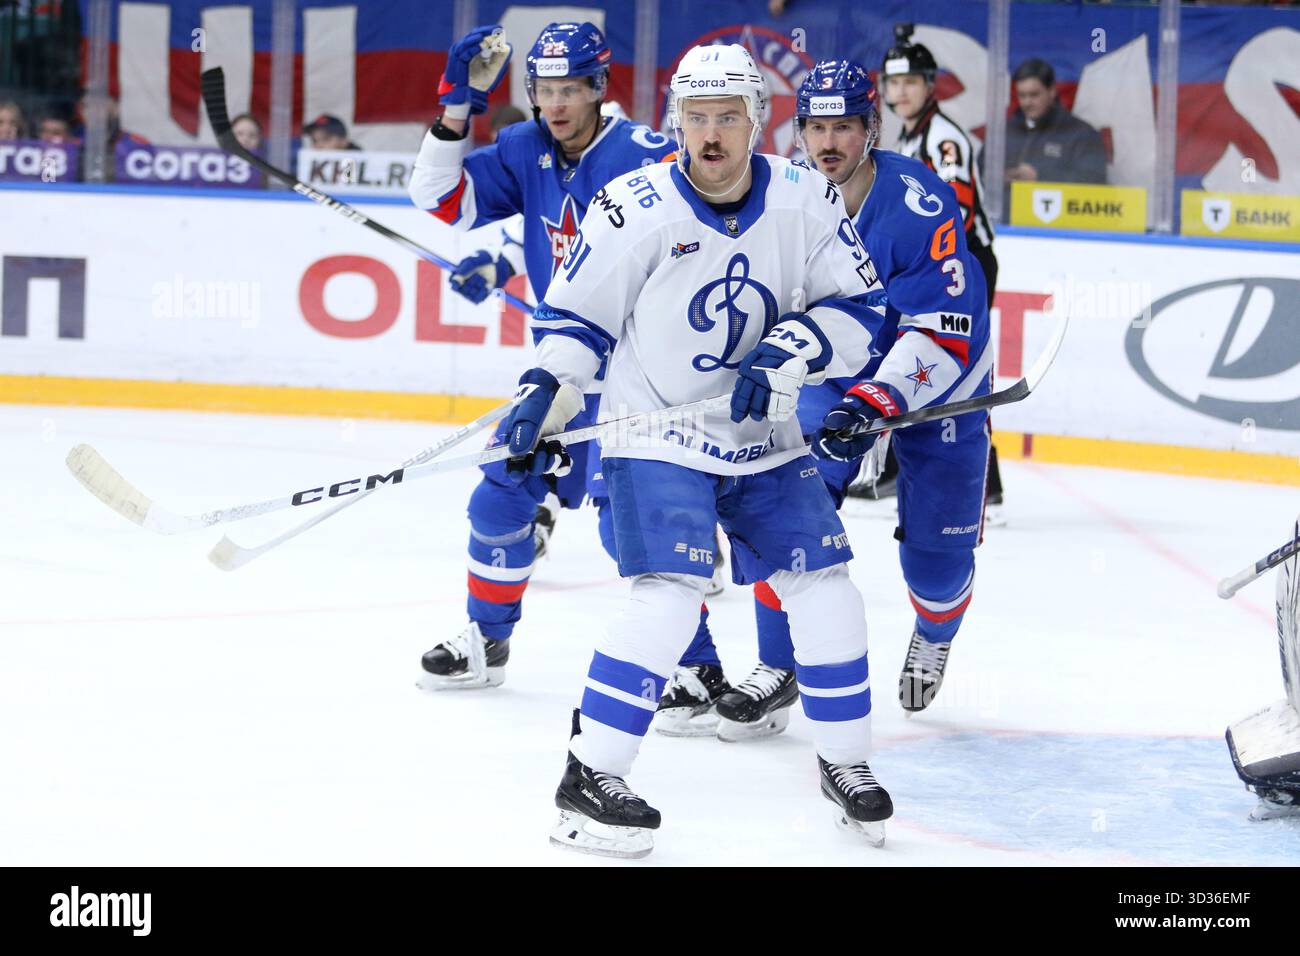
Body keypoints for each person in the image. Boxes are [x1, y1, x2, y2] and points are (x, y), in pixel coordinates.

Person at [501, 43, 893, 857]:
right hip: (657, 435)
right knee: (669, 597)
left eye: (727, 117)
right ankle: (590, 775)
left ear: (758, 121)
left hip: (763, 438)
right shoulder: (631, 205)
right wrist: (548, 392)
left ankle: (845, 762)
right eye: (695, 117)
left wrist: (795, 348)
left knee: (825, 589)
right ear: (676, 119)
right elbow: (578, 321)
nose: (709, 135)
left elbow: (863, 309)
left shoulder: (805, 198)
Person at [408, 22, 724, 700]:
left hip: (640, 381)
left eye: (571, 90)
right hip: (560, 376)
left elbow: (701, 248)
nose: (556, 105)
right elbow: (439, 201)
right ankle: (486, 641)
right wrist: (456, 105)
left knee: (629, 531)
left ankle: (697, 667)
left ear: (599, 89)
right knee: (500, 491)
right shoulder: (525, 148)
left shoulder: (646, 155)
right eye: (545, 90)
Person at [708, 59, 993, 744]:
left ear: (872, 130)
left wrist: (877, 401)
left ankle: (934, 631)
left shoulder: (920, 202)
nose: (828, 141)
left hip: (940, 381)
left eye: (844, 126)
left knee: (937, 551)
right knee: (780, 499)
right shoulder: (782, 194)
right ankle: (780, 666)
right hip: (832, 370)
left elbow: (942, 332)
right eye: (816, 126)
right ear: (799, 129)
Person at [872, 23, 1004, 510]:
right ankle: (895, 468)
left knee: (961, 366)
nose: (900, 91)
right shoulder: (906, 139)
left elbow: (960, 216)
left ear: (930, 85)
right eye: (893, 82)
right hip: (935, 267)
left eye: (910, 82)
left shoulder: (945, 140)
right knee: (909, 359)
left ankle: (986, 484)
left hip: (961, 266)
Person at [1005, 57, 1107, 187]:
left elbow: (1094, 181)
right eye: (1022, 95)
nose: (1027, 102)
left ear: (1052, 91)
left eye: (1034, 95)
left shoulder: (1082, 134)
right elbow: (980, 170)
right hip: (1005, 206)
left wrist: (1040, 176)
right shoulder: (1006, 130)